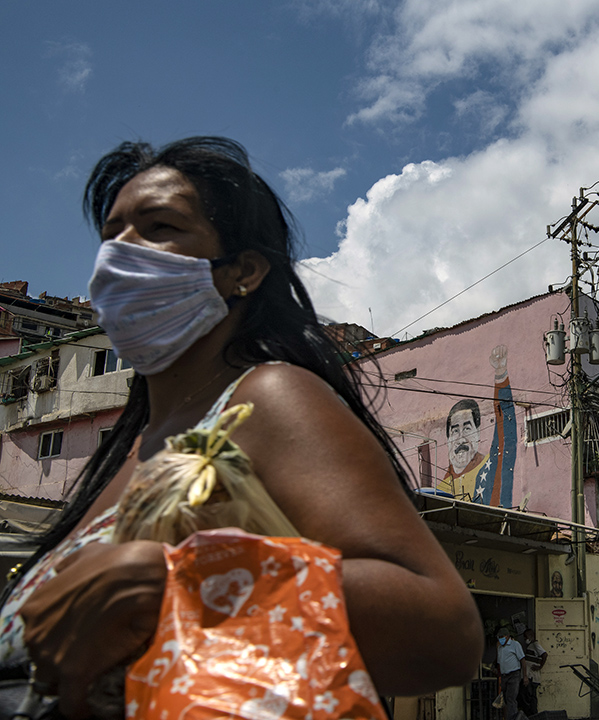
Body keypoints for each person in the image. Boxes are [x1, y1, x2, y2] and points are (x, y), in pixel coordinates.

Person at [0, 137, 483, 719]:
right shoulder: (129, 450)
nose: (119, 255)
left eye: (158, 228)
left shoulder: (268, 398)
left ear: (242, 272)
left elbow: (445, 636)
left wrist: (182, 581)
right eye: (112, 235)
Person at [438, 345, 516, 507]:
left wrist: (501, 375)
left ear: (478, 432)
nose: (460, 438)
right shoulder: (440, 491)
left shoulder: (491, 467)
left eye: (467, 428)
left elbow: (506, 429)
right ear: (448, 439)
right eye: (455, 431)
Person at [496, 626, 528, 720]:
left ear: (507, 636)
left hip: (514, 675)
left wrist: (525, 676)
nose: (501, 639)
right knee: (505, 699)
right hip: (504, 676)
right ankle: (509, 717)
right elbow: (499, 662)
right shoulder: (500, 647)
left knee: (511, 698)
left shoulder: (515, 644)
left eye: (503, 637)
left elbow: (523, 660)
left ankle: (513, 718)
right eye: (499, 637)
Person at [518, 628, 547, 717]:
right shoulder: (531, 646)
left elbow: (544, 654)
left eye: (526, 637)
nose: (525, 639)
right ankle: (531, 715)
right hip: (529, 676)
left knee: (527, 697)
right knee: (528, 697)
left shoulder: (535, 644)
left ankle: (532, 715)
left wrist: (540, 666)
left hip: (531, 677)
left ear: (531, 636)